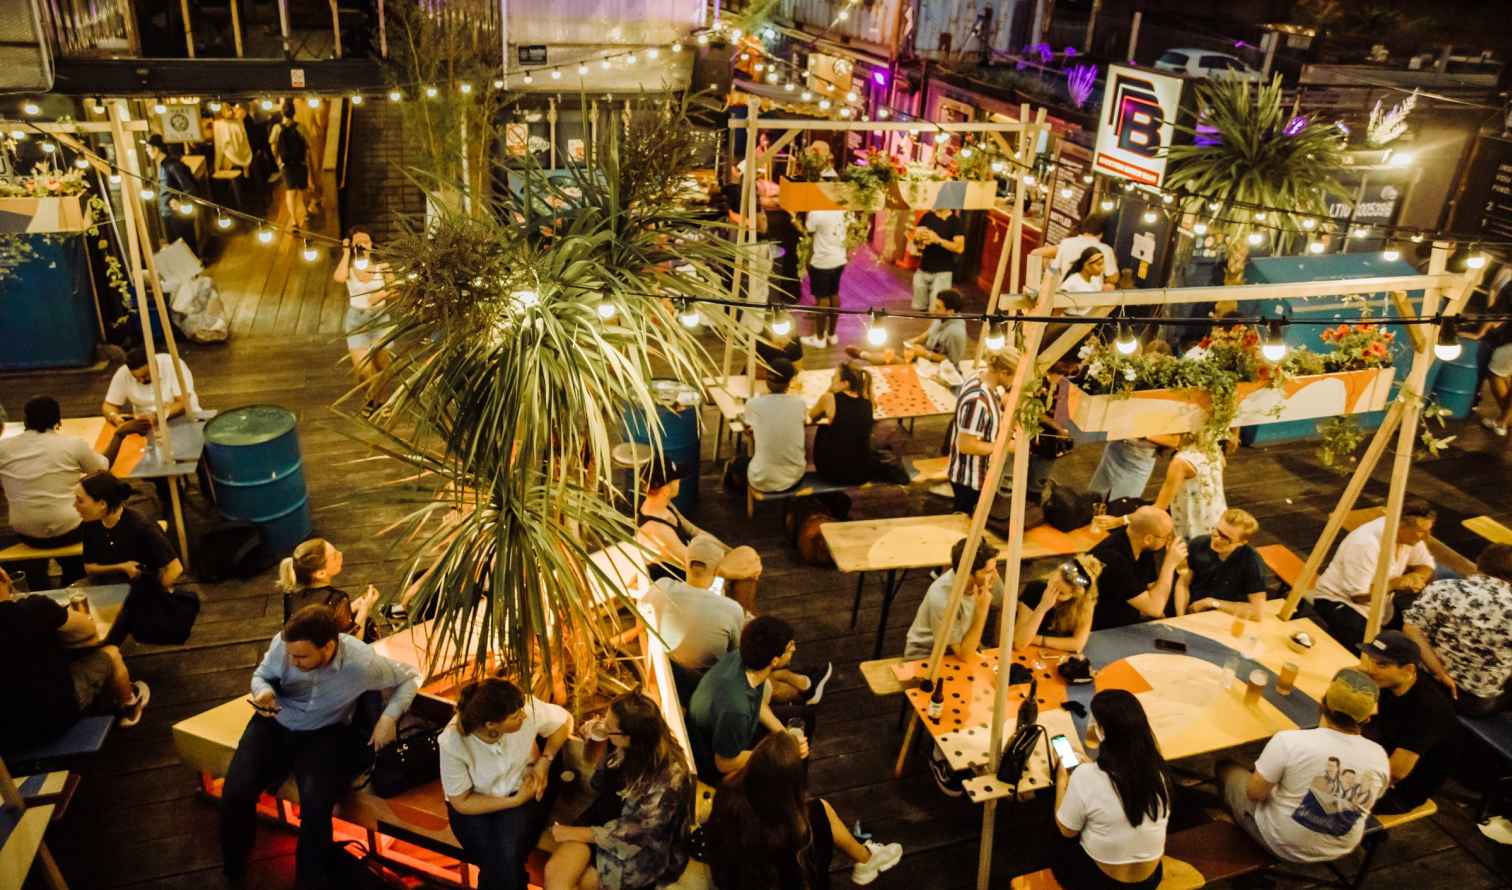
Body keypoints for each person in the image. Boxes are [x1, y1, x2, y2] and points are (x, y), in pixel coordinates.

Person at [221, 605, 420, 888]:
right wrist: (263, 692)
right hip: (274, 722)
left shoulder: (362, 664)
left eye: (302, 656)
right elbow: (261, 675)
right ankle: (234, 867)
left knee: (317, 808)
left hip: (322, 733)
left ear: (328, 647)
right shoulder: (284, 645)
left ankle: (309, 881)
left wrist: (387, 719)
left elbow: (410, 677)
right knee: (235, 791)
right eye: (291, 655)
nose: (293, 661)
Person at [1218, 668, 1390, 864]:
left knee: (1226, 768)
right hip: (1339, 849)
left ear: (1322, 703)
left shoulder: (1289, 741)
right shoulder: (1379, 757)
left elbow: (1254, 794)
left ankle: (1232, 843)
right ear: (1366, 719)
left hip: (1280, 843)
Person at [706, 731, 903, 888]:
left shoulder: (726, 792)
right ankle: (866, 859)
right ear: (793, 785)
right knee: (821, 810)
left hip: (732, 881)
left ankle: (865, 858)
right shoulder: (802, 828)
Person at [544, 693, 694, 890]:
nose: (603, 726)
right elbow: (598, 783)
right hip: (601, 821)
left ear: (628, 737)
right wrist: (598, 738)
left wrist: (571, 833)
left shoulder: (668, 781)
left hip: (638, 848)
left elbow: (631, 835)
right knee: (555, 875)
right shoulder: (623, 744)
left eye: (610, 727)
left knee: (586, 882)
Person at [438, 676, 572, 890]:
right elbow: (462, 802)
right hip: (475, 805)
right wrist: (515, 802)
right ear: (491, 724)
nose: (524, 716)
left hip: (520, 789)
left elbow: (564, 722)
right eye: (515, 717)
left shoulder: (523, 706)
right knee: (503, 859)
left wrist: (544, 762)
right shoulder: (452, 742)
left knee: (505, 855)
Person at [0, 566, 149, 756]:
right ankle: (129, 707)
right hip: (52, 720)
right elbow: (87, 631)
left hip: (5, 735)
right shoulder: (34, 608)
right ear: (4, 576)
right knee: (111, 653)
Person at [0, 396, 128, 585]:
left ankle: (41, 583)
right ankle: (78, 578)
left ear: (25, 421)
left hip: (26, 533)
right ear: (58, 421)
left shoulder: (3, 448)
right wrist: (120, 435)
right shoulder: (73, 445)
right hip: (70, 531)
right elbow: (102, 470)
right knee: (97, 510)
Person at [1052, 690, 1171, 889]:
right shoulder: (1157, 773)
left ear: (1102, 730)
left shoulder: (1086, 777)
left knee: (1060, 828)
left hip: (1099, 882)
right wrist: (1091, 767)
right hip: (1149, 880)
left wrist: (1062, 779)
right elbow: (1114, 787)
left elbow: (1066, 831)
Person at [686, 616, 809, 783]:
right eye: (789, 647)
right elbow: (723, 764)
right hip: (714, 760)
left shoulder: (744, 658)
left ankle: (799, 782)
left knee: (806, 715)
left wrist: (784, 736)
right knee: (790, 760)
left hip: (727, 731)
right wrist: (780, 751)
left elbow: (756, 704)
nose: (794, 648)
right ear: (774, 660)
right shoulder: (737, 709)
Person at [1311, 499, 1437, 653]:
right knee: (1373, 653)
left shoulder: (1410, 538)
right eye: (1421, 531)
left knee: (1416, 637)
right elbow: (1358, 596)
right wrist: (1396, 583)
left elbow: (1426, 565)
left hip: (1381, 606)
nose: (1426, 537)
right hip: (1341, 602)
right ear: (1400, 526)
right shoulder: (1366, 544)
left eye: (1428, 530)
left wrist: (1417, 577)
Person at [635, 462, 763, 612]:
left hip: (697, 562)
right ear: (664, 490)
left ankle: (745, 616)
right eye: (676, 480)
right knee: (748, 569)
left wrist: (729, 552)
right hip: (686, 586)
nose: (679, 482)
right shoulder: (656, 530)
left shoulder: (664, 505)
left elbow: (695, 531)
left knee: (746, 558)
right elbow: (691, 567)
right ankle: (746, 618)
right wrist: (730, 565)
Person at [1357, 631, 1460, 814]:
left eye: (1382, 664)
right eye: (1371, 660)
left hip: (1399, 791)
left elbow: (1396, 772)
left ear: (1409, 670)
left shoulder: (1429, 710)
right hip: (1378, 755)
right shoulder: (1390, 683)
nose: (1371, 669)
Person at [1403, 543, 1512, 715]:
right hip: (1471, 702)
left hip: (1421, 678)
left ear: (1479, 564)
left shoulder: (1443, 587)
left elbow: (1411, 630)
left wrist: (1441, 673)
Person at [904, 538, 1001, 661]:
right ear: (968, 574)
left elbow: (1003, 604)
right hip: (926, 655)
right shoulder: (942, 598)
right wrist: (982, 611)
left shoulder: (986, 580)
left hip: (960, 646)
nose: (995, 575)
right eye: (988, 572)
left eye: (994, 569)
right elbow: (964, 655)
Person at [1088, 506, 1182, 630]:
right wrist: (1169, 564)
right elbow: (1154, 608)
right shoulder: (1113, 558)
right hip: (1101, 629)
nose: (1168, 541)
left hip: (1128, 622)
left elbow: (1153, 590)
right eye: (1166, 537)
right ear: (1148, 539)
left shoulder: (1141, 546)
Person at [333, 226, 395, 412]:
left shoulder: (382, 267)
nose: (362, 245)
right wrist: (345, 253)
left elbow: (396, 290)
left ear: (371, 244)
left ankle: (382, 401)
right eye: (358, 242)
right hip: (357, 321)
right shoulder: (350, 268)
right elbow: (339, 277)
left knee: (382, 365)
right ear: (352, 245)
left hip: (380, 318)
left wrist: (381, 295)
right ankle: (373, 398)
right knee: (363, 369)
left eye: (365, 241)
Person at [948, 350, 1015, 515]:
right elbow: (966, 445)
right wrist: (1006, 446)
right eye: (1014, 377)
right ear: (1004, 373)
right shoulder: (977, 400)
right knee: (965, 518)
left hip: (977, 473)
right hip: (969, 477)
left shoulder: (981, 376)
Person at [278, 538, 378, 641]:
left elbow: (321, 618)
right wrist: (365, 607)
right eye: (334, 556)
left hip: (300, 652)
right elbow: (352, 642)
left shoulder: (291, 595)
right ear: (321, 573)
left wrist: (352, 606)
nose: (340, 554)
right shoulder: (337, 598)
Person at [847, 287, 969, 370]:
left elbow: (953, 361)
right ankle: (863, 354)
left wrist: (926, 354)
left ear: (951, 311)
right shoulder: (941, 317)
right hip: (923, 355)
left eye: (938, 307)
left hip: (937, 367)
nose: (933, 310)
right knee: (891, 351)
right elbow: (928, 334)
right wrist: (912, 342)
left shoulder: (956, 333)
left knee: (892, 358)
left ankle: (862, 354)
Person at [1181, 508, 1268, 621]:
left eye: (1225, 538)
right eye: (1217, 531)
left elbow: (1257, 613)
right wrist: (1181, 617)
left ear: (1241, 542)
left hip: (1224, 617)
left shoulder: (1252, 562)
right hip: (1190, 609)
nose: (1217, 539)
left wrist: (1212, 603)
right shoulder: (1198, 544)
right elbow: (1182, 584)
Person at [743, 357, 807, 494]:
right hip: (794, 477)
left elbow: (748, 430)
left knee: (738, 463)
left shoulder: (753, 404)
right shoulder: (800, 404)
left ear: (766, 380)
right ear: (790, 382)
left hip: (760, 478)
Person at [1014, 555, 1102, 654]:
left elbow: (1078, 644)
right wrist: (1042, 607)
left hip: (1056, 654)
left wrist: (1038, 639)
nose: (1051, 594)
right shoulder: (1035, 589)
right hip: (1028, 652)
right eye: (1053, 584)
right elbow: (1019, 643)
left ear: (1073, 596)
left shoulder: (1085, 603)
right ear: (1054, 573)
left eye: (1061, 593)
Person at [808, 360, 876, 485]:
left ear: (845, 383)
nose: (832, 378)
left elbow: (811, 416)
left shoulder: (829, 398)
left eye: (835, 377)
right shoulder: (868, 402)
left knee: (824, 428)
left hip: (833, 472)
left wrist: (830, 390)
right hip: (862, 472)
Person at [1153, 434, 1232, 542]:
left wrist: (1124, 520)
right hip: (1218, 521)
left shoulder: (1182, 461)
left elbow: (1159, 508)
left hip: (1193, 529)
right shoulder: (1214, 449)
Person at [101, 346, 201, 425]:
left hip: (181, 418)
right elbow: (109, 405)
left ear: (155, 362)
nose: (141, 380)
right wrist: (113, 416)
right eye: (136, 378)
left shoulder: (173, 364)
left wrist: (161, 415)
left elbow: (183, 403)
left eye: (145, 376)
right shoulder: (123, 373)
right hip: (146, 425)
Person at [800, 208, 847, 347]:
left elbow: (807, 231)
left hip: (822, 260)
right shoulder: (843, 210)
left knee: (822, 298)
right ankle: (832, 335)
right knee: (834, 293)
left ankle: (820, 338)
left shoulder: (816, 212)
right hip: (840, 258)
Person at [146, 133, 200, 248]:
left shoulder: (172, 165)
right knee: (178, 248)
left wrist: (182, 203)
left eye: (148, 148)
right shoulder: (162, 165)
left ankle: (194, 264)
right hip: (169, 214)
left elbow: (189, 187)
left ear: (156, 149)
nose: (147, 151)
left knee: (186, 246)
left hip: (177, 215)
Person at [1042, 212, 1119, 285]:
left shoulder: (1066, 243)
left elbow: (1054, 269)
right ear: (1102, 233)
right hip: (1089, 295)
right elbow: (1113, 278)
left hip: (1064, 293)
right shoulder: (1106, 250)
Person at [910, 207, 965, 311]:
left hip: (943, 271)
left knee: (936, 309)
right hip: (923, 268)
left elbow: (959, 248)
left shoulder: (955, 222)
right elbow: (916, 241)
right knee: (918, 307)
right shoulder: (927, 217)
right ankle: (925, 326)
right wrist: (918, 239)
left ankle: (933, 327)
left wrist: (938, 240)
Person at [270, 99, 312, 228]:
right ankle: (305, 213)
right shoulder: (300, 127)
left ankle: (294, 220)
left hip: (285, 164)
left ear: (282, 113)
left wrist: (278, 160)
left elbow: (273, 145)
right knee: (303, 189)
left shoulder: (277, 128)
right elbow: (309, 144)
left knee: (290, 191)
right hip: (300, 163)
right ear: (294, 113)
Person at [1057, 247, 1115, 316]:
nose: (1102, 268)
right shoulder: (1071, 283)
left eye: (1102, 264)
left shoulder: (1095, 280)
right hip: (1075, 323)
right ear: (1086, 265)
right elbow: (1056, 313)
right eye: (1099, 264)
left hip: (1092, 321)